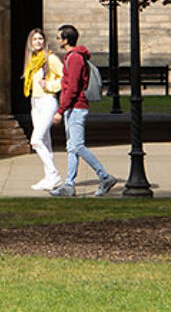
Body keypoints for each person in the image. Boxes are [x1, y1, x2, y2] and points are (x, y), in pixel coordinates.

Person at [50, 24, 119, 197]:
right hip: (72, 108)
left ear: (66, 40)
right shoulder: (73, 57)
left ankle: (104, 177)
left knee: (78, 146)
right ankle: (69, 184)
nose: (57, 40)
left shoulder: (74, 58)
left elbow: (72, 88)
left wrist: (60, 110)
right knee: (71, 147)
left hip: (76, 107)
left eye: (59, 37)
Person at [21, 28, 64, 191]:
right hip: (35, 102)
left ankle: (54, 174)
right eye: (35, 39)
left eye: (40, 39)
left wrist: (50, 85)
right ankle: (48, 177)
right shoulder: (32, 60)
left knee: (35, 140)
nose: (38, 42)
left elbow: (65, 77)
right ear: (30, 43)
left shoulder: (50, 58)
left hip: (48, 101)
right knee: (45, 141)